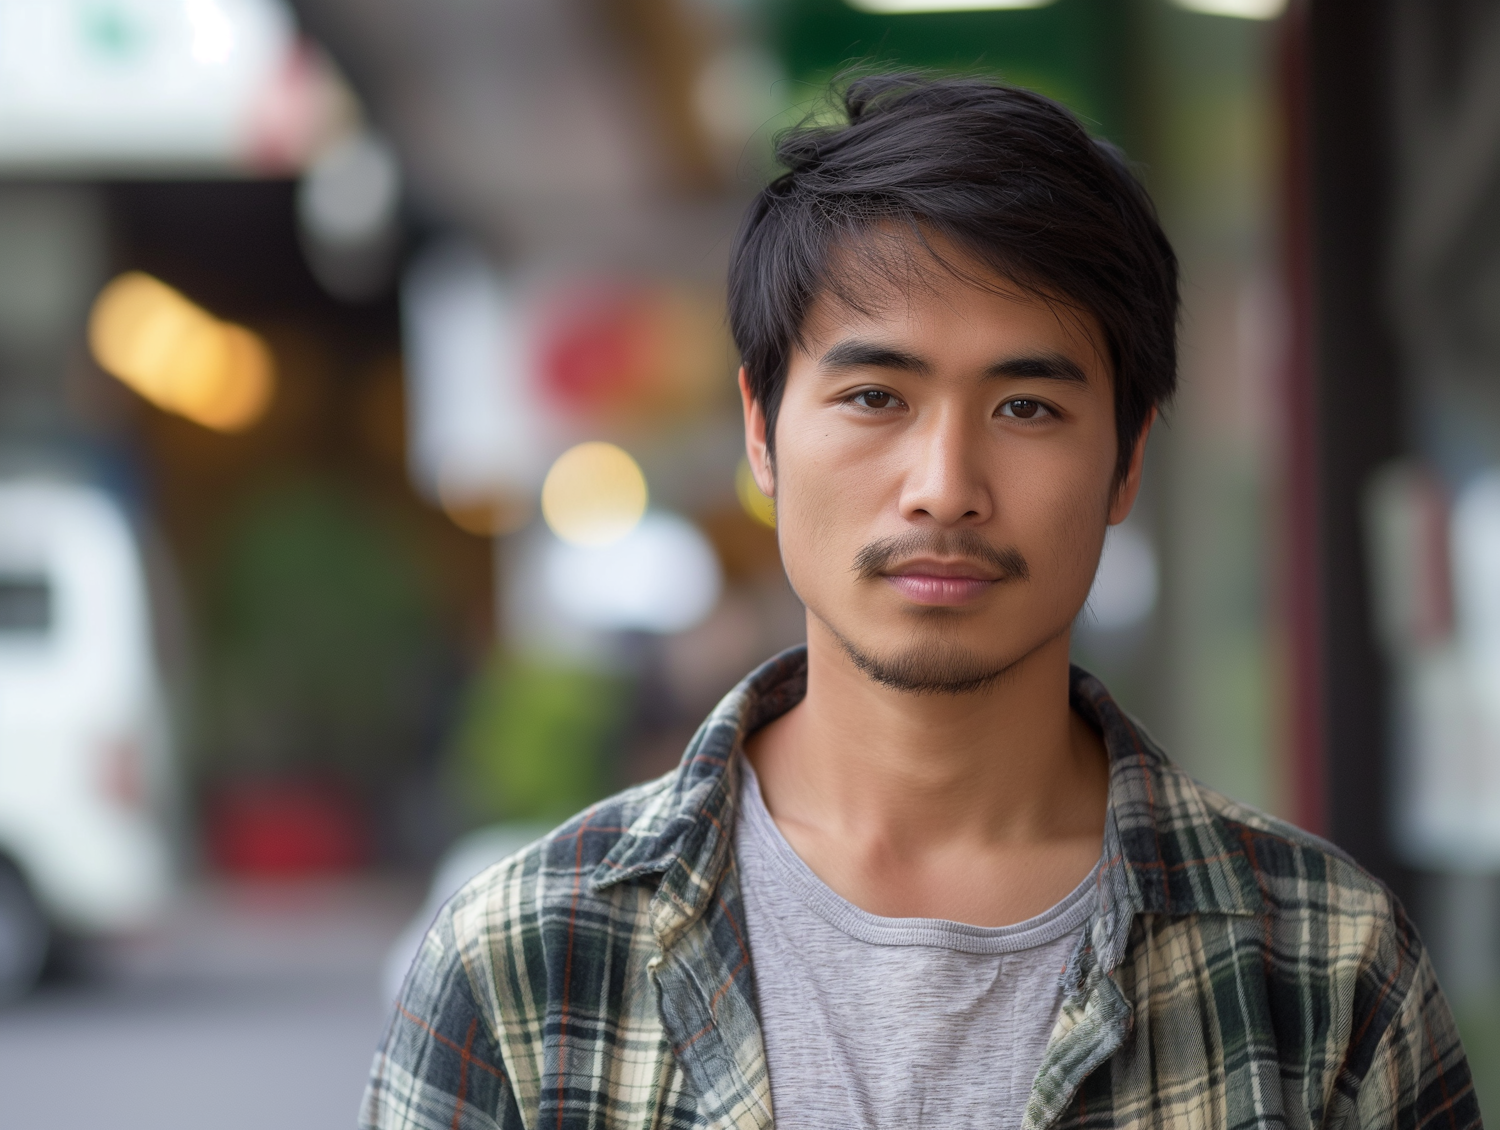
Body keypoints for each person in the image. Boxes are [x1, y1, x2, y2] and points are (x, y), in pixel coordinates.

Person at [361, 76, 1476, 1130]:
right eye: (875, 395)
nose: (945, 486)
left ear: (1128, 459)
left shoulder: (1324, 965)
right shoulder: (523, 959)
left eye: (1027, 407)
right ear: (761, 431)